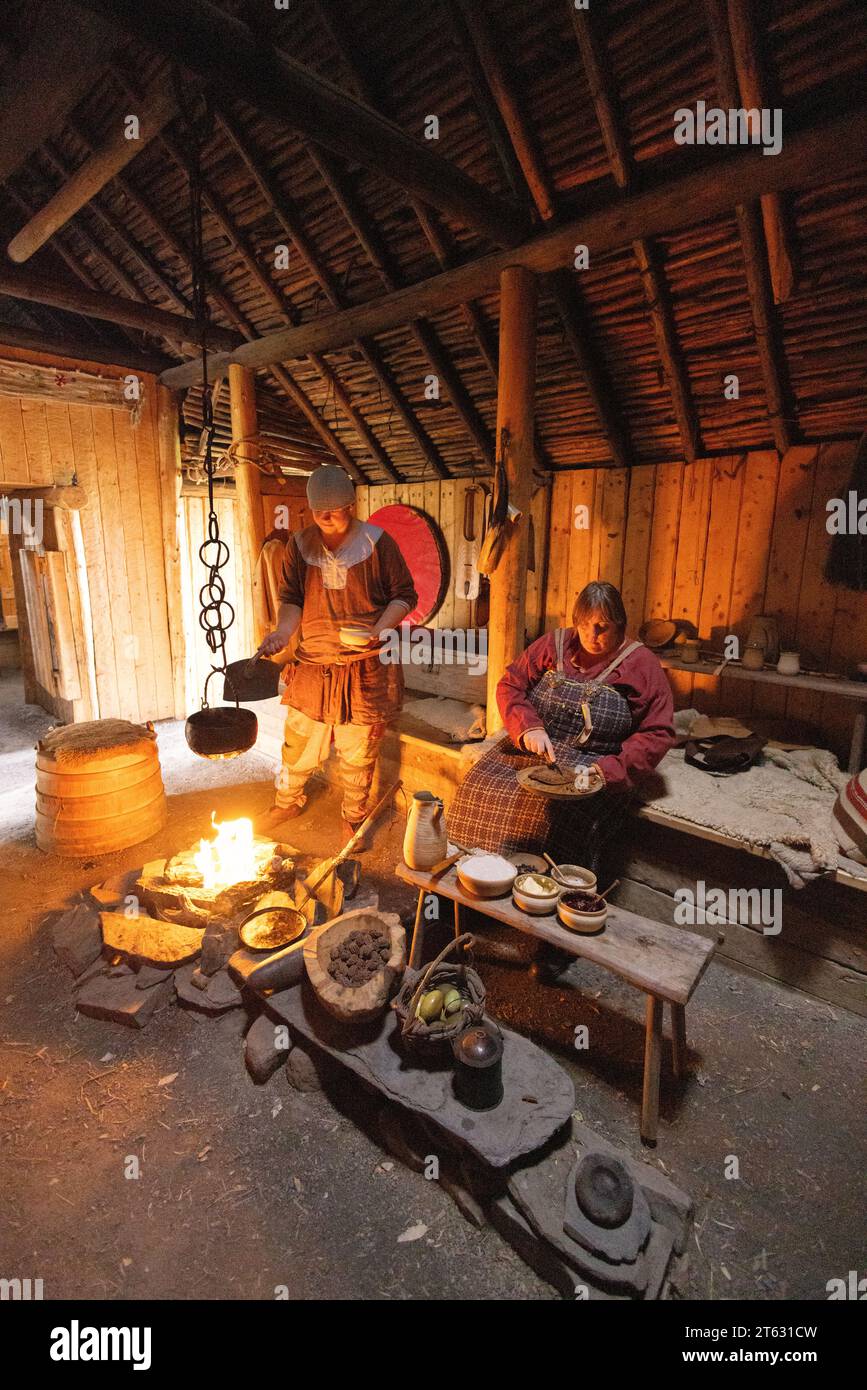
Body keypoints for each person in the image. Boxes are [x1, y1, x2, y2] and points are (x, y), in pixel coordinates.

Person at [447, 581, 675, 879]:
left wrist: (612, 769)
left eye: (603, 627)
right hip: (535, 748)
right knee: (482, 787)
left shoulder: (640, 662)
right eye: (585, 626)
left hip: (591, 761)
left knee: (559, 813)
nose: (593, 636)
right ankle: (473, 877)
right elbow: (511, 684)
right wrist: (528, 728)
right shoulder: (555, 644)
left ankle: (549, 890)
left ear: (620, 625)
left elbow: (658, 731)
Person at [256, 465, 417, 842]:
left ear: (352, 504)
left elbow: (405, 595)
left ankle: (354, 815)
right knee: (297, 744)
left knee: (358, 749)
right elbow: (291, 599)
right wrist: (282, 632)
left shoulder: (379, 543)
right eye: (318, 511)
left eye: (335, 509)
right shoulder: (298, 545)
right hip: (313, 664)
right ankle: (287, 801)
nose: (326, 517)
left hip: (364, 666)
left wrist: (379, 631)